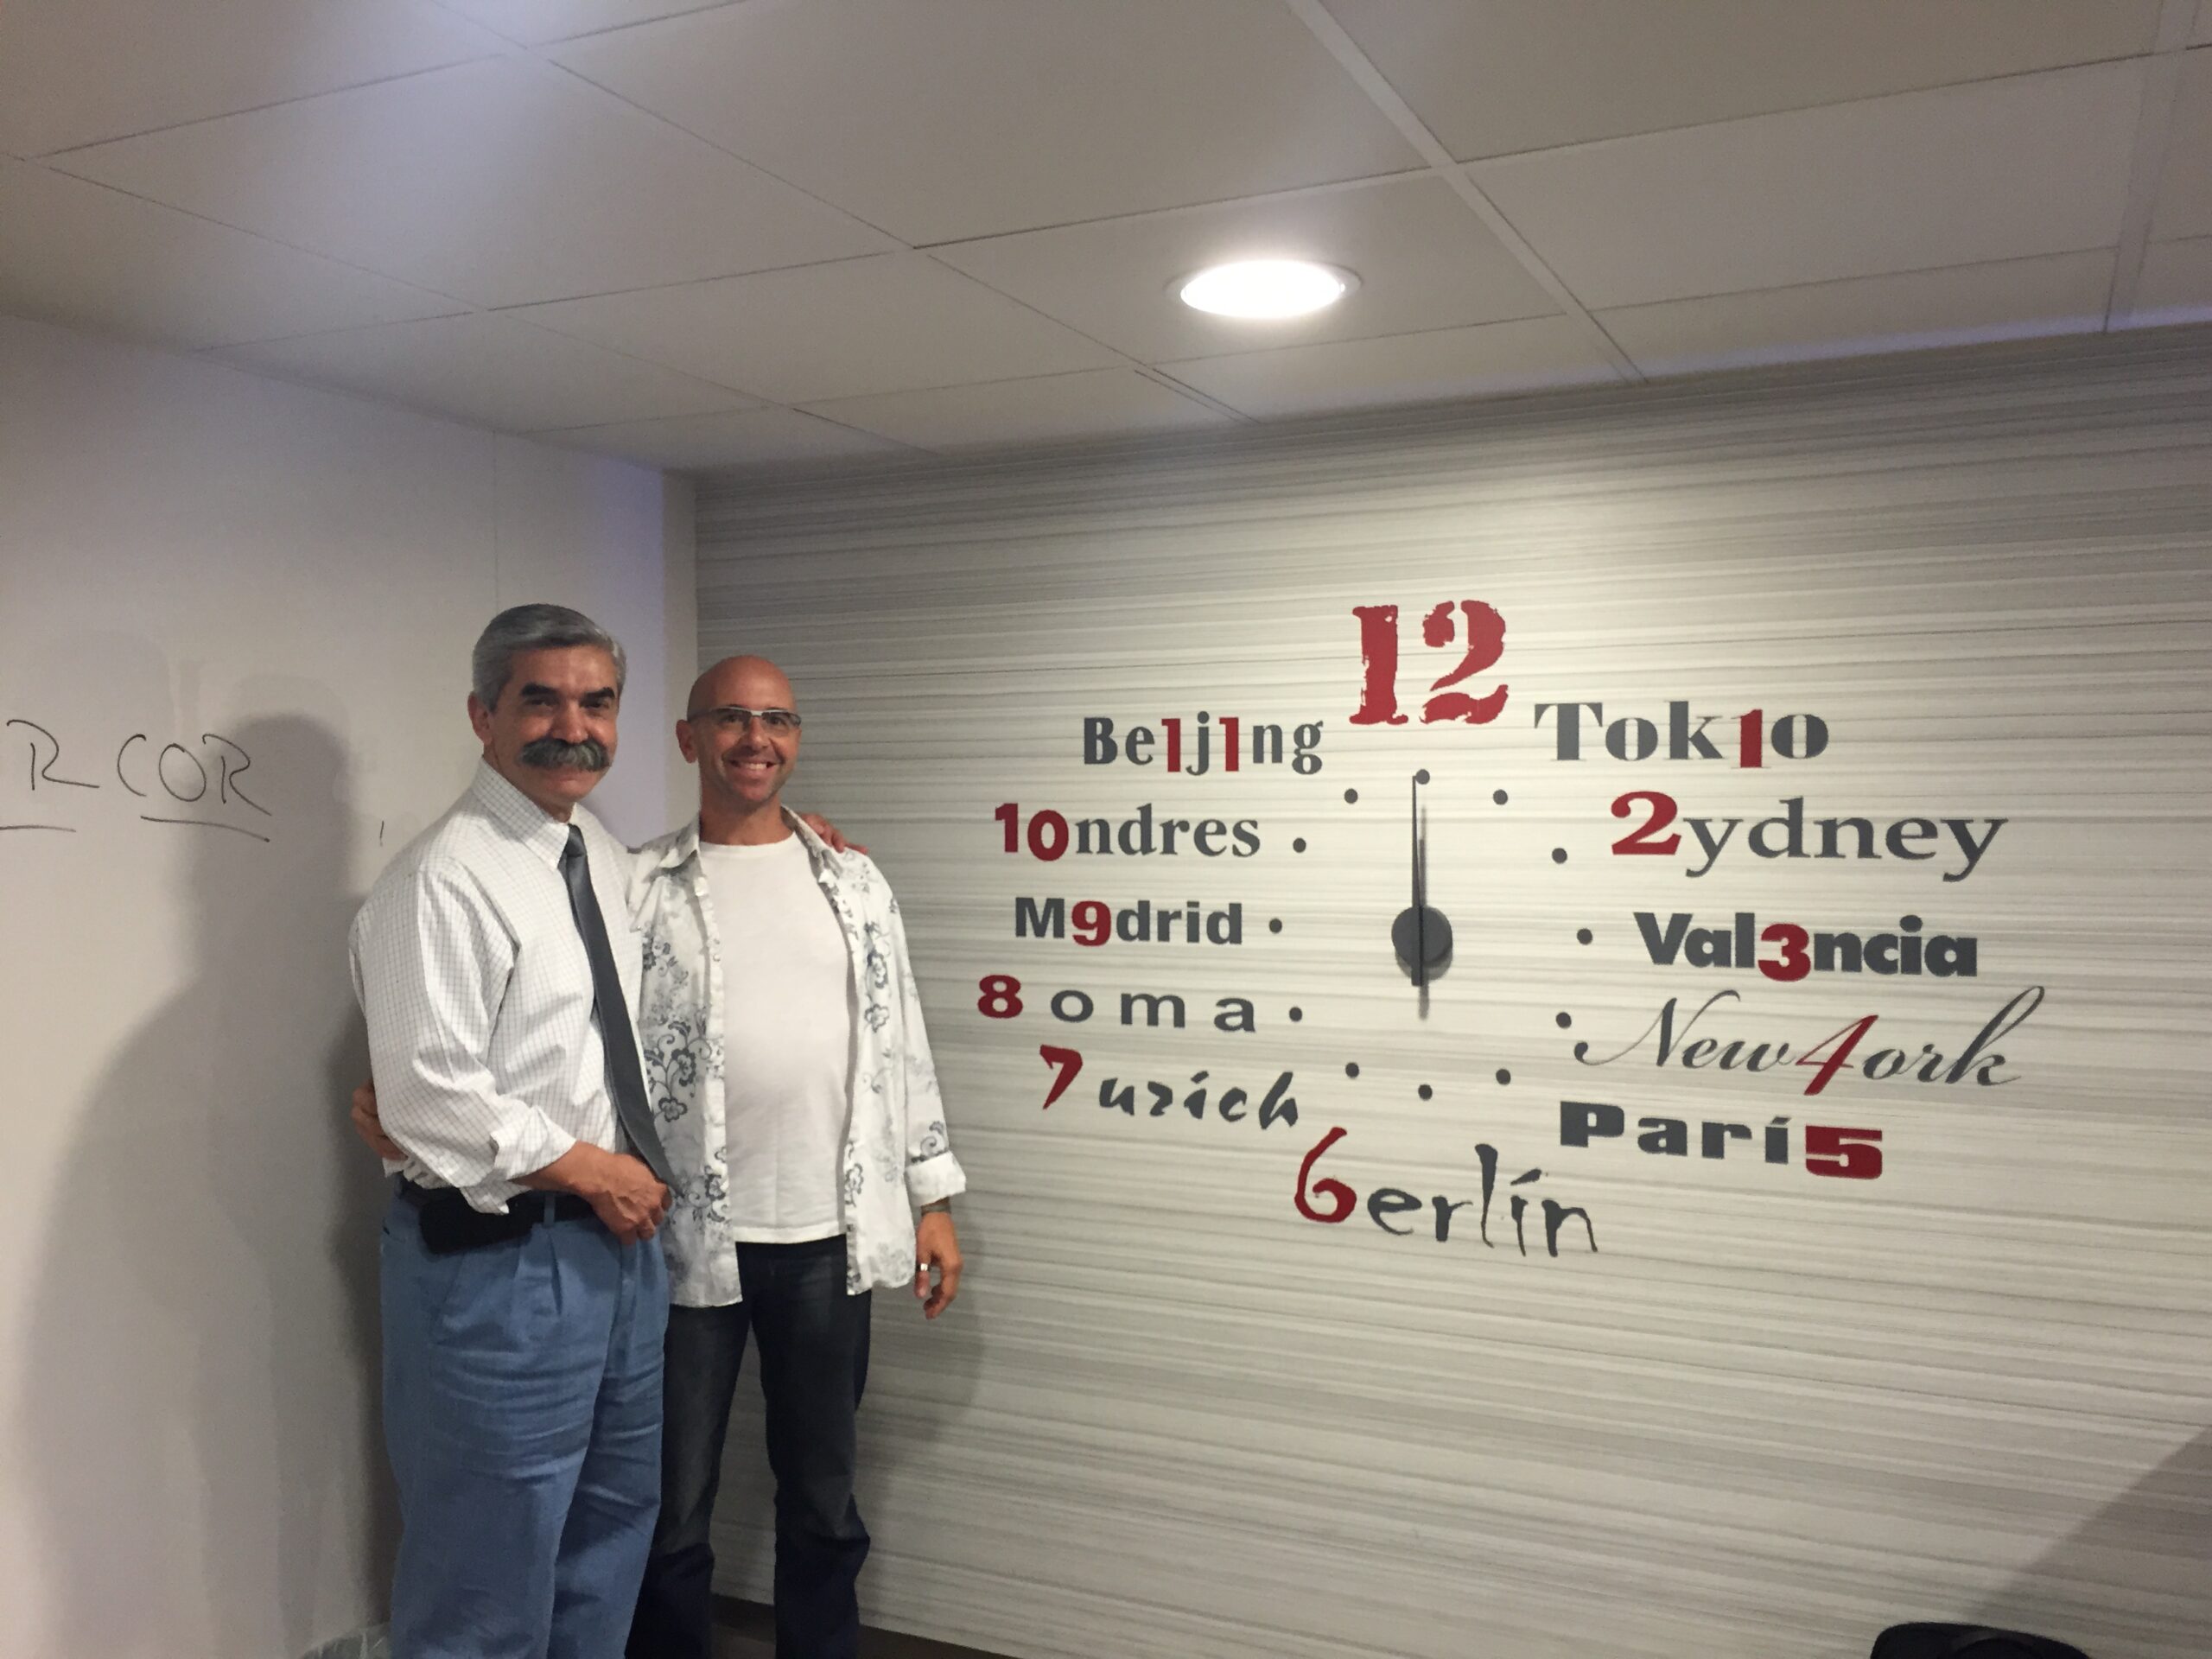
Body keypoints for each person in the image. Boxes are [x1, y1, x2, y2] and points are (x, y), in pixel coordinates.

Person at [356, 652, 966, 1659]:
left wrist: (930, 1195)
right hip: (681, 1241)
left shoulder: (854, 883)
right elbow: (560, 1035)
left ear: (797, 738)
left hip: (834, 1234)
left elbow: (903, 1041)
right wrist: (412, 1107)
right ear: (688, 738)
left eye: (777, 720)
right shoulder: (630, 881)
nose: (755, 739)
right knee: (665, 1512)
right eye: (730, 718)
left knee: (824, 1498)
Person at [349, 603, 676, 1659]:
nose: (572, 726)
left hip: (616, 1258)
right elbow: (432, 1093)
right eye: (541, 701)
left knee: (603, 1548)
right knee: (484, 1580)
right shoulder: (444, 877)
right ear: (483, 715)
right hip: (501, 1268)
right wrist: (595, 1172)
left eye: (596, 703)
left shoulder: (597, 857)